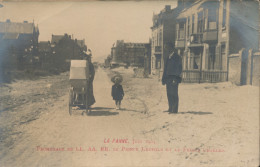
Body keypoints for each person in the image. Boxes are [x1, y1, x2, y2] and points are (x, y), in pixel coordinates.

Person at [162, 43, 182, 114]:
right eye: (166, 49)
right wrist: (163, 79)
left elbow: (179, 69)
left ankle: (175, 109)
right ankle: (170, 108)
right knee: (169, 94)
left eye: (168, 49)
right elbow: (165, 69)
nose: (167, 50)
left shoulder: (177, 57)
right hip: (168, 79)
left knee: (174, 94)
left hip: (174, 78)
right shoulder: (168, 57)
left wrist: (175, 79)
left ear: (172, 49)